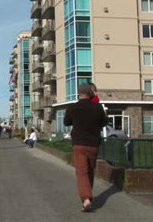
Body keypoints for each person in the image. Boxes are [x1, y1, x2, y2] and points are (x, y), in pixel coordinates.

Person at [64, 83, 107, 212]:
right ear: (91, 93)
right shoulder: (98, 107)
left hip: (79, 143)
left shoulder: (72, 107)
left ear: (79, 93)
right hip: (93, 144)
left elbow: (66, 122)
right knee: (90, 171)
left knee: (81, 172)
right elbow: (104, 122)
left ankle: (86, 198)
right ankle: (88, 197)